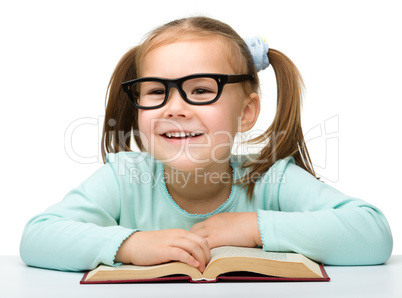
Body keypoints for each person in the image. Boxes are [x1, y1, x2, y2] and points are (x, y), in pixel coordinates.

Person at [20, 16, 392, 272]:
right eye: (155, 91)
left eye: (200, 89)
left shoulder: (271, 179)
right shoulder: (124, 178)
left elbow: (372, 233)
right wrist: (130, 245)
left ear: (246, 113)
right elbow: (37, 237)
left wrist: (253, 228)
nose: (175, 108)